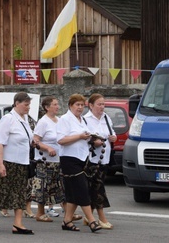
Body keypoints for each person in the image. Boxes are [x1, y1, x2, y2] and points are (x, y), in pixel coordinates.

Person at [0, 91, 35, 235]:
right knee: (1, 192)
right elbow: (0, 143)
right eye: (26, 104)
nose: (28, 107)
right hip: (7, 161)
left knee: (19, 193)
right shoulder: (8, 119)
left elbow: (26, 138)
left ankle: (17, 224)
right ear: (17, 104)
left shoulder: (24, 119)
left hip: (22, 162)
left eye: (29, 104)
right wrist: (0, 165)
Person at [56, 93, 101, 232]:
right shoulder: (64, 119)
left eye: (82, 105)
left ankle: (67, 220)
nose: (80, 108)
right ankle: (92, 220)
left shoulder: (83, 120)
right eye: (77, 105)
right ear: (70, 106)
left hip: (82, 158)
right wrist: (79, 136)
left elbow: (86, 136)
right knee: (82, 189)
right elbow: (61, 140)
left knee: (73, 192)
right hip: (69, 159)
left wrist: (94, 139)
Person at [83, 93, 117, 229]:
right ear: (91, 106)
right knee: (98, 188)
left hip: (105, 158)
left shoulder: (106, 118)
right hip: (92, 159)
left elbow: (112, 131)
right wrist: (93, 140)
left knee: (94, 187)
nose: (102, 107)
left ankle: (88, 216)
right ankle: (102, 218)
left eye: (103, 104)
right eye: (99, 104)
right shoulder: (85, 119)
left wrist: (113, 137)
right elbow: (83, 136)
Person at [31, 96, 65, 223]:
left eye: (57, 104)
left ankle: (68, 213)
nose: (57, 107)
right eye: (54, 104)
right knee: (43, 187)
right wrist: (47, 148)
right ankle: (40, 213)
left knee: (59, 187)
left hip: (58, 159)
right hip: (45, 160)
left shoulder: (59, 120)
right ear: (47, 107)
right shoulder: (43, 122)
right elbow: (35, 141)